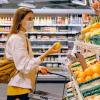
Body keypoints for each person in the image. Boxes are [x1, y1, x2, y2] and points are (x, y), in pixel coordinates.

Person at [5, 7, 60, 100]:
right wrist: (47, 53)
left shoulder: (23, 37)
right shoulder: (17, 39)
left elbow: (25, 62)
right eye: (29, 19)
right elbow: (24, 67)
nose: (32, 21)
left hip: (23, 87)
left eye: (33, 18)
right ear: (20, 21)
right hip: (18, 89)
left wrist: (37, 68)